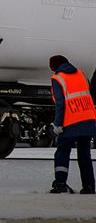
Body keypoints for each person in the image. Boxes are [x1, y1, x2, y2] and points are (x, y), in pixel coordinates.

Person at [48, 54, 96, 194]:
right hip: (88, 119)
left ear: (55, 67)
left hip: (71, 121)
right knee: (84, 155)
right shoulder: (81, 74)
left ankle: (61, 184)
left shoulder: (58, 78)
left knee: (62, 152)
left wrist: (57, 124)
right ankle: (89, 186)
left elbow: (60, 104)